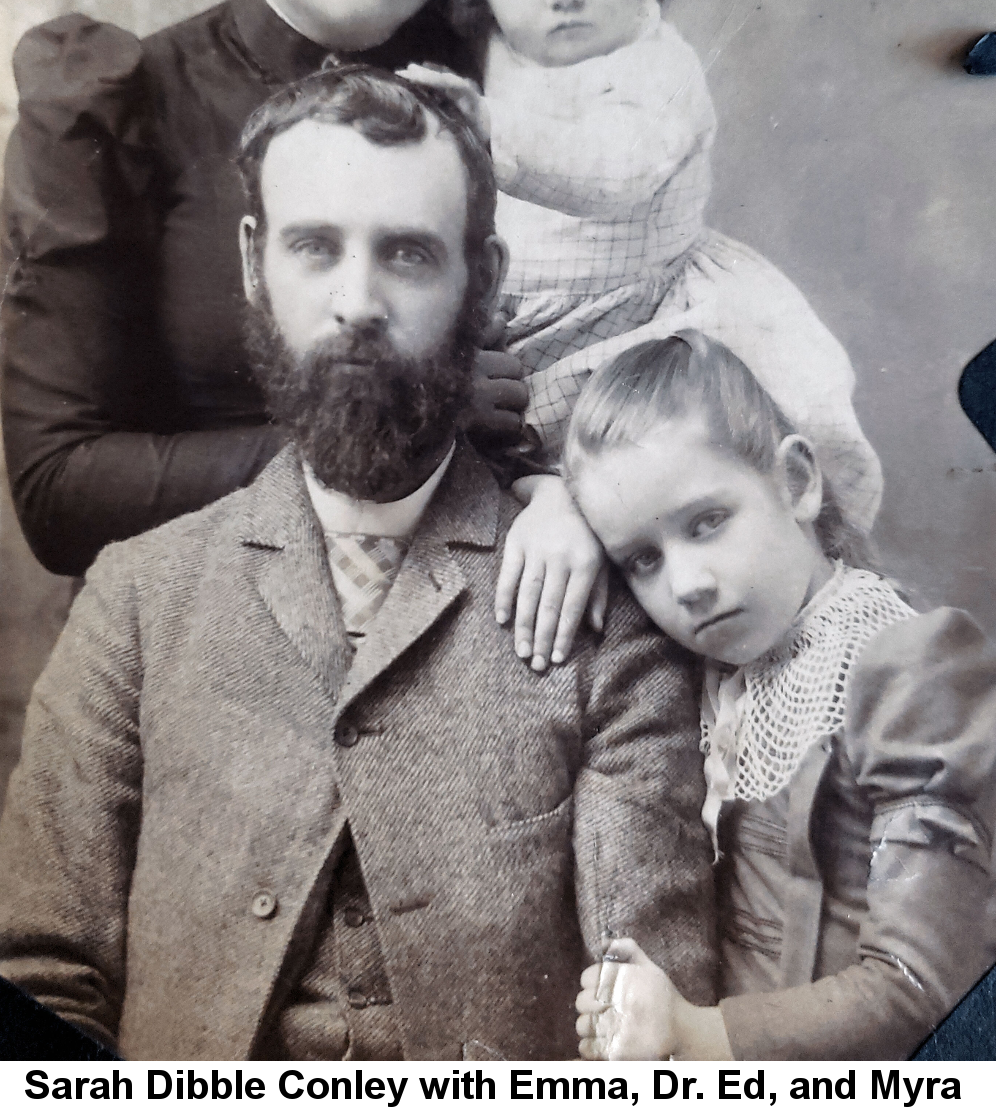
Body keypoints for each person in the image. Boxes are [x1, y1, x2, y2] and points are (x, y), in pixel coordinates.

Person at [0, 67, 716, 1061]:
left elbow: (656, 1024)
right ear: (256, 264)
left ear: (484, 277)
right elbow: (41, 982)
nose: (357, 302)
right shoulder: (135, 600)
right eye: (314, 246)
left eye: (411, 254)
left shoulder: (605, 616)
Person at [0, 0, 524, 579]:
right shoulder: (118, 107)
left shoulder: (514, 89)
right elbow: (62, 494)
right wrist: (402, 428)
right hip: (199, 621)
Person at [437, 0, 883, 534]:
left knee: (695, 483)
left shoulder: (658, 69)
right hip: (531, 326)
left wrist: (490, 130)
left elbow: (618, 168)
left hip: (644, 321)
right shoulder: (498, 54)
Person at [566, 333, 996, 1061]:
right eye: (643, 559)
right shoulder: (714, 671)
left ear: (797, 481)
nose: (687, 584)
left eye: (708, 522)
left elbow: (928, 989)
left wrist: (695, 1033)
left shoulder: (907, 665)